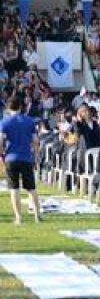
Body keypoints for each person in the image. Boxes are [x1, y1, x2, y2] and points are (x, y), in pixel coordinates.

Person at [0, 95, 41, 224]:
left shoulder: (5, 122)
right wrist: (36, 156)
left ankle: (18, 217)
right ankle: (37, 215)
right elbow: (35, 141)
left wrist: (2, 155)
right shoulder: (29, 121)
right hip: (26, 157)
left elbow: (1, 141)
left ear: (8, 107)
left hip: (11, 157)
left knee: (14, 189)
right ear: (21, 106)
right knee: (31, 188)